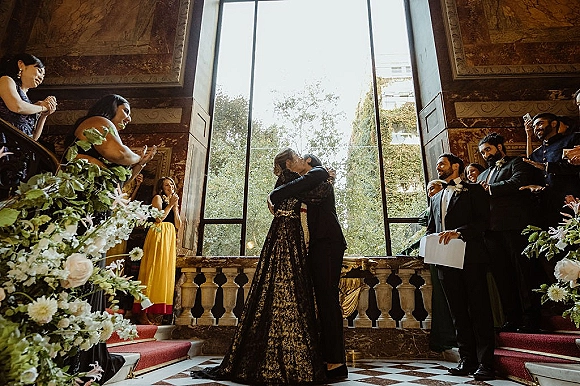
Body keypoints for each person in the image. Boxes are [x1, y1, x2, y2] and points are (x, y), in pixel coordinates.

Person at [191, 148, 328, 384]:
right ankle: (290, 356)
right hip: (286, 233)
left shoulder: (287, 180)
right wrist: (327, 177)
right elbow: (317, 193)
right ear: (288, 162)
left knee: (283, 285)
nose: (298, 161)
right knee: (288, 285)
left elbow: (305, 193)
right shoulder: (292, 179)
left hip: (285, 232)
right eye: (295, 158)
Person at [66, 95, 157, 383]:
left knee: (92, 281)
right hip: (82, 211)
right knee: (82, 276)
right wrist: (135, 157)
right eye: (126, 110)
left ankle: (88, 353)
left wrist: (139, 166)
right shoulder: (98, 122)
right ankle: (74, 353)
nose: (129, 117)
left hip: (98, 212)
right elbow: (119, 155)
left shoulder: (107, 134)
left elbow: (119, 182)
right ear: (110, 107)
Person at [269, 150, 348, 380]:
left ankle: (336, 363)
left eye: (301, 158)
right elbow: (295, 189)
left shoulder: (318, 173)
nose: (298, 163)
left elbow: (289, 189)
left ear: (309, 162)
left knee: (328, 300)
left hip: (328, 244)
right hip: (316, 246)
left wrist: (272, 196)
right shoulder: (312, 186)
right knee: (320, 302)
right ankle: (326, 359)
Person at [427, 153, 495, 381]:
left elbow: (484, 223)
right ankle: (467, 360)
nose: (438, 167)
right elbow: (431, 228)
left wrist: (459, 232)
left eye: (442, 164)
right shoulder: (436, 198)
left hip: (470, 257)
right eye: (438, 165)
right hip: (445, 261)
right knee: (457, 312)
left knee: (479, 309)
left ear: (456, 166)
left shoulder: (473, 191)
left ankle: (486, 362)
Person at [477, 133, 543, 333]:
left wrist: (489, 190)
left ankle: (532, 319)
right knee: (502, 276)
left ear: (499, 146)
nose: (486, 154)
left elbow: (518, 182)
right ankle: (511, 318)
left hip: (514, 226)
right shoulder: (481, 175)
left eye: (488, 149)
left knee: (525, 272)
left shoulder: (516, 163)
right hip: (490, 232)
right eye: (482, 152)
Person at [69, 94, 157, 186]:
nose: (129, 119)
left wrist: (141, 164)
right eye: (126, 111)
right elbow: (121, 155)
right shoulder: (98, 120)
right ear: (112, 107)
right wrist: (138, 158)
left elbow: (119, 183)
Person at [133, 176, 182, 325]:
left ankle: (153, 311)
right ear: (161, 187)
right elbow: (158, 219)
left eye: (172, 185)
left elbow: (178, 225)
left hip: (169, 235)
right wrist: (169, 206)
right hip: (158, 234)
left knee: (163, 273)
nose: (170, 187)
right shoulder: (157, 198)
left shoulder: (173, 202)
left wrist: (175, 207)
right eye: (167, 185)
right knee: (152, 270)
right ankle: (142, 311)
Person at [522, 112, 580, 228]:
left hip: (570, 201)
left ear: (553, 124)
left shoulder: (571, 139)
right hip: (546, 206)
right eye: (534, 127)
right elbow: (533, 172)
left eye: (539, 124)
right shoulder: (537, 153)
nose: (536, 129)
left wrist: (546, 167)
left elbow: (575, 167)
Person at [0, 53, 57, 140]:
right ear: (21, 65)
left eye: (43, 76)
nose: (41, 78)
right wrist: (43, 107)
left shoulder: (28, 102)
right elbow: (17, 106)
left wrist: (43, 115)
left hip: (22, 150)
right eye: (39, 71)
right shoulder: (6, 80)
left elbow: (33, 138)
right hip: (5, 147)